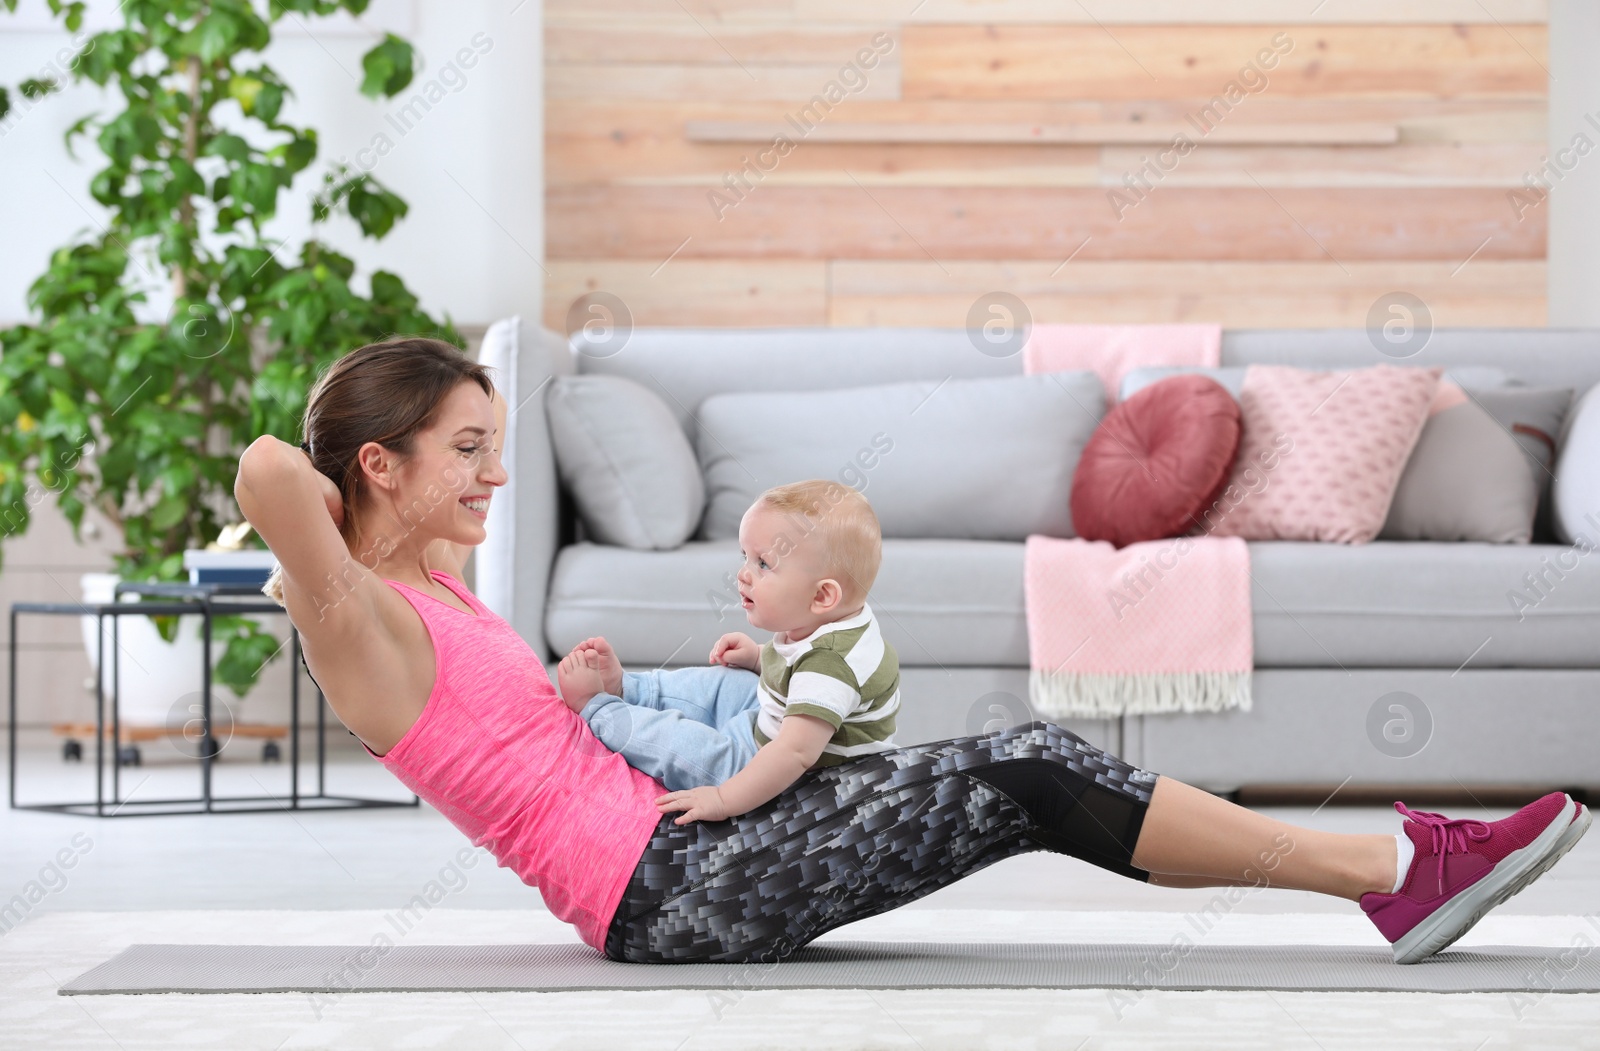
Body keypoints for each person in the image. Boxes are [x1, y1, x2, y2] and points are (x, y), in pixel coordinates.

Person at [239, 336, 1590, 967]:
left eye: (492, 442)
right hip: (666, 888)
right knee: (1024, 768)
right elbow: (262, 472)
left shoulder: (442, 599)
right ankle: (1396, 869)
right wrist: (340, 503)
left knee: (1030, 763)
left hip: (690, 837)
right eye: (465, 449)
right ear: (376, 460)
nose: (492, 473)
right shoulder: (358, 622)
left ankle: (1398, 865)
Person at [556, 479, 900, 826]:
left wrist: (723, 798)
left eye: (763, 564)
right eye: (745, 557)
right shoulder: (829, 621)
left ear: (822, 596)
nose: (743, 575)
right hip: (772, 722)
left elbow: (795, 753)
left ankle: (600, 708)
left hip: (785, 777)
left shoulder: (831, 664)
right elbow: (801, 666)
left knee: (689, 747)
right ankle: (631, 691)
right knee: (723, 683)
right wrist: (757, 657)